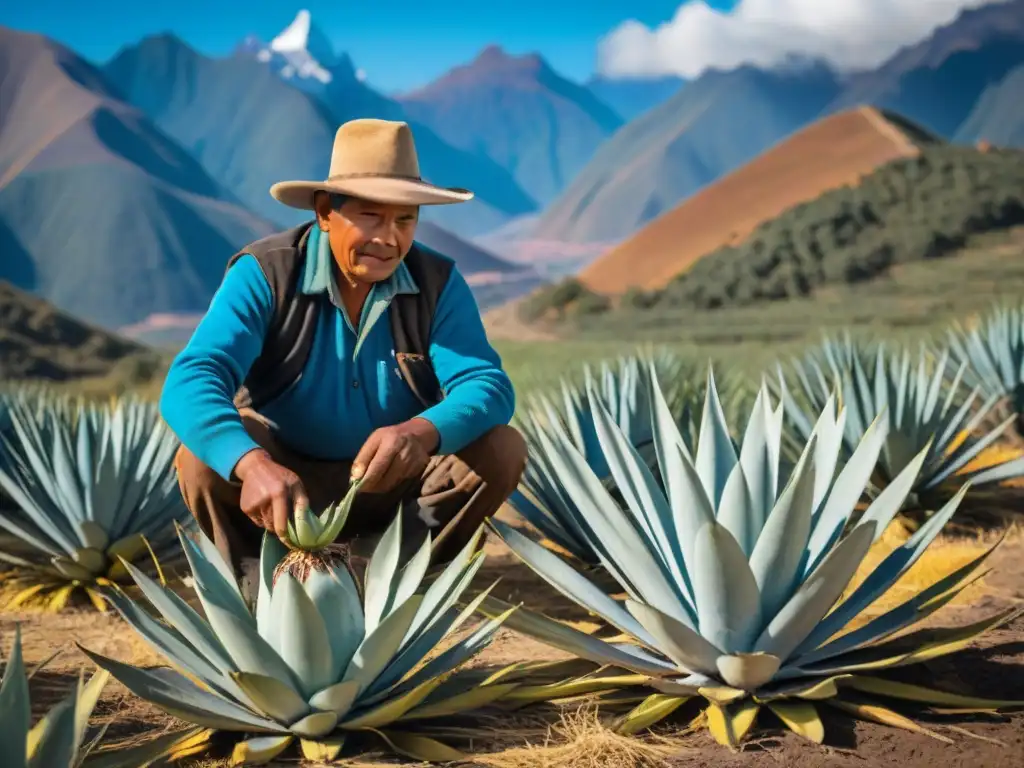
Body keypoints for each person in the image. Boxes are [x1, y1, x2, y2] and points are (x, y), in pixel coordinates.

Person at [160, 118, 526, 581]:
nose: (389, 238)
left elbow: (486, 384)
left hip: (396, 488)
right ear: (324, 212)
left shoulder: (438, 284)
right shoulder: (265, 274)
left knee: (501, 447)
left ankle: (404, 578)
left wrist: (421, 432)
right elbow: (193, 376)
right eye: (371, 215)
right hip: (285, 495)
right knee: (201, 462)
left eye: (405, 219)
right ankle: (260, 588)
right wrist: (251, 464)